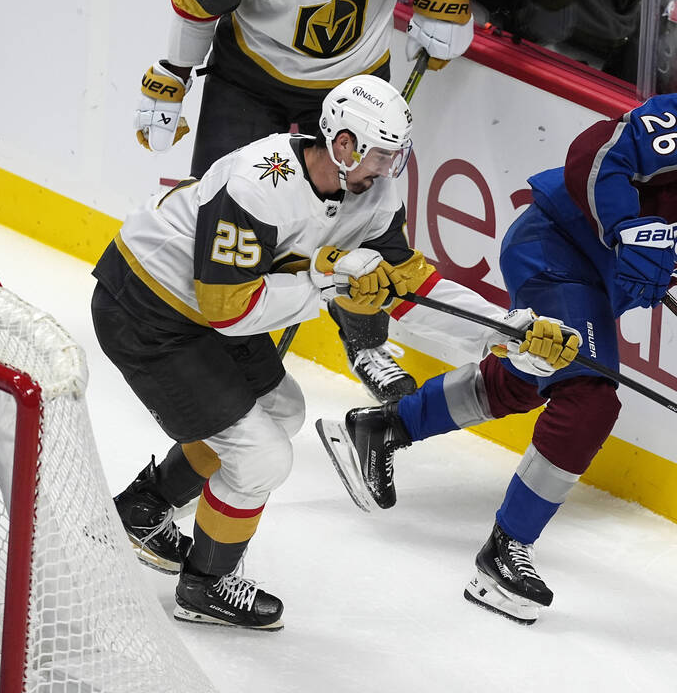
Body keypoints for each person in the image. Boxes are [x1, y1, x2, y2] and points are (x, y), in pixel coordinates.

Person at [315, 50, 677, 624]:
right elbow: (598, 153)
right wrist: (626, 226)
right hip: (556, 249)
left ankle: (381, 428)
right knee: (590, 397)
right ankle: (505, 552)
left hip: (595, 286)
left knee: (526, 378)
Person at [94, 74, 580, 630]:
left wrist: (502, 333)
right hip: (146, 307)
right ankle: (204, 586)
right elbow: (228, 308)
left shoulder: (371, 194)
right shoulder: (260, 182)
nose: (388, 171)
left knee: (282, 410)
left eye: (396, 159)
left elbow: (409, 288)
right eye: (381, 156)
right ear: (343, 144)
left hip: (204, 311)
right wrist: (328, 284)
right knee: (261, 458)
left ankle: (143, 508)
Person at [132, 0, 491, 403]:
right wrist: (171, 75)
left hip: (355, 92)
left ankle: (367, 345)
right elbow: (196, 2)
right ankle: (212, 337)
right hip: (250, 80)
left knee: (366, 226)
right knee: (221, 210)